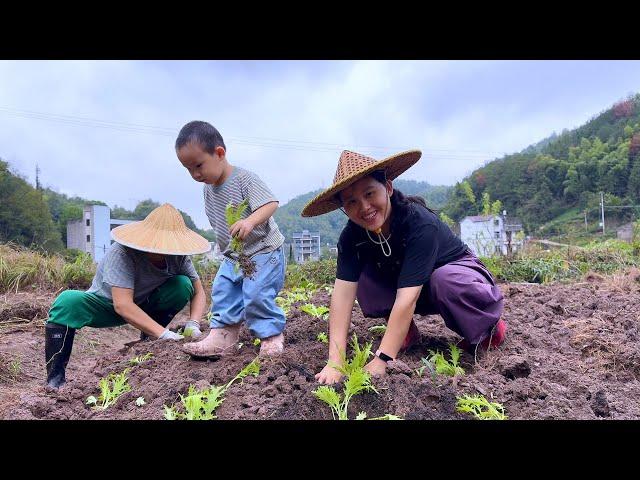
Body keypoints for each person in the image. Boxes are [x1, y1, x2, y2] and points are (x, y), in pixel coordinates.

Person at [301, 150, 506, 385]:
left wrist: (383, 358)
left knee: (445, 279)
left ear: (388, 188)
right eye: (352, 201)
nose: (364, 206)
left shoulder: (419, 223)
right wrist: (335, 362)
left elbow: (408, 299)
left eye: (370, 193)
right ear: (343, 208)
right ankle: (403, 332)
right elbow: (341, 296)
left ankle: (488, 328)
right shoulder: (351, 238)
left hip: (454, 278)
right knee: (365, 272)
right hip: (411, 286)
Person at [44, 203, 210, 388]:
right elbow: (122, 305)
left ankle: (149, 343)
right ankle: (55, 380)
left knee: (181, 284)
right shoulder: (122, 252)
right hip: (106, 305)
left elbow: (198, 291)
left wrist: (193, 324)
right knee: (67, 302)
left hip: (146, 304)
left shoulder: (179, 257)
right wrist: (164, 334)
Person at [175, 121, 286, 358]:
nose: (195, 174)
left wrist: (249, 222)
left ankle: (271, 336)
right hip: (234, 255)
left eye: (199, 165)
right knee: (223, 290)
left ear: (219, 153)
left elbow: (270, 203)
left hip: (263, 251)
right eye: (188, 169)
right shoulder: (208, 189)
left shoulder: (245, 179)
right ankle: (222, 335)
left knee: (256, 294)